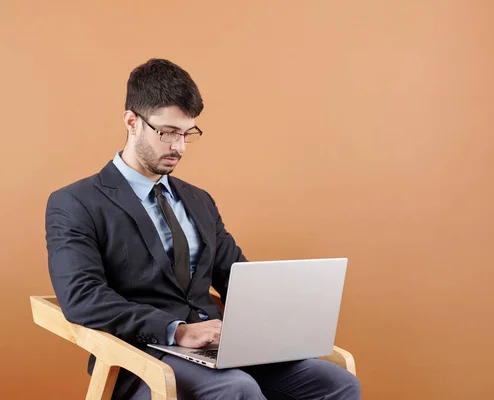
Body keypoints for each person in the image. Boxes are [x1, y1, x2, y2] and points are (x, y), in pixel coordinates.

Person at [45, 58, 361, 400]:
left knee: (337, 382)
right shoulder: (76, 203)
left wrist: (279, 321)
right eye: (167, 133)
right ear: (132, 122)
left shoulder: (199, 201)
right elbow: (82, 297)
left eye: (187, 134)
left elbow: (236, 275)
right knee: (236, 389)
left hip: (216, 348)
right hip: (142, 356)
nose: (178, 147)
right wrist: (176, 331)